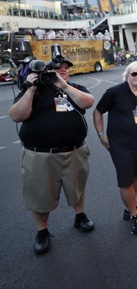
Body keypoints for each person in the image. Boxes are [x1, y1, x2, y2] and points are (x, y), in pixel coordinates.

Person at [9, 56, 95, 255]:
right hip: (39, 156)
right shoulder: (34, 90)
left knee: (77, 189)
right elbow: (16, 115)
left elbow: (88, 102)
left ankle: (80, 216)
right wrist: (31, 88)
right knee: (39, 196)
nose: (62, 70)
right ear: (47, 71)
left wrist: (63, 85)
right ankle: (42, 231)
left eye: (66, 68)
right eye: (57, 68)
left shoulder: (73, 87)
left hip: (74, 151)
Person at [93, 61, 137, 235]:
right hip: (119, 145)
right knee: (125, 180)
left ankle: (130, 207)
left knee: (136, 176)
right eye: (134, 74)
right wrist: (101, 135)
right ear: (127, 75)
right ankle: (133, 214)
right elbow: (97, 112)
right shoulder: (114, 92)